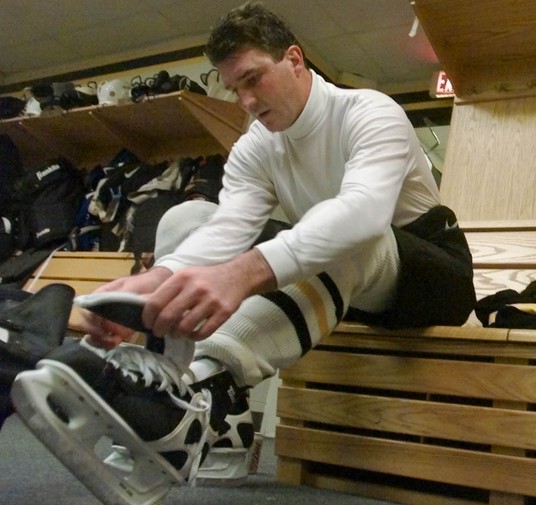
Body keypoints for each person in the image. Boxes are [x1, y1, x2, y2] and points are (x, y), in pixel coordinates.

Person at [9, 2, 475, 504]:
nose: (247, 100)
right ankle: (203, 412)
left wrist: (245, 273)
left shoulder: (368, 111)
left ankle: (199, 395)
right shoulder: (258, 145)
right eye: (235, 89)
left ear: (294, 60)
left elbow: (362, 213)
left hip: (431, 275)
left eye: (255, 80)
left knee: (350, 234)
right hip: (347, 279)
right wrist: (156, 281)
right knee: (185, 219)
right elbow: (230, 226)